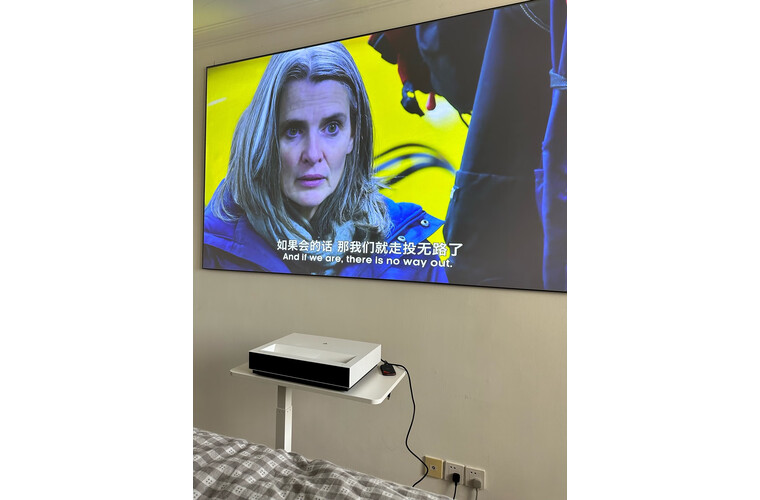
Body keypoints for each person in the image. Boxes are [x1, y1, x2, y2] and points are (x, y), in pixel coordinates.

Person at [203, 42, 447, 283]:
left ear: (354, 136)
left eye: (331, 127)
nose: (312, 154)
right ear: (268, 137)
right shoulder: (209, 251)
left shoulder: (409, 255)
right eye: (293, 130)